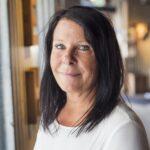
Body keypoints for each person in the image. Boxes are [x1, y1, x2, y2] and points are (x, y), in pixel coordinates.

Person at [34, 6, 149, 150]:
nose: (67, 58)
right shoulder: (51, 114)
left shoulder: (123, 129)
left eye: (83, 47)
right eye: (59, 46)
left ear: (104, 57)